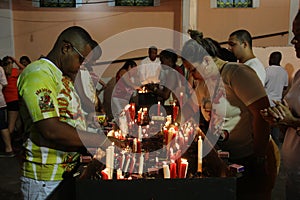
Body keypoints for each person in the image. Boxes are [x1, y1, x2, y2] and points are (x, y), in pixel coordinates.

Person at [17, 26, 123, 199]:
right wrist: (99, 140)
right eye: (81, 60)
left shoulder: (62, 76)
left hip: (65, 172)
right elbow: (51, 128)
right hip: (45, 179)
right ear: (66, 48)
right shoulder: (38, 73)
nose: (82, 67)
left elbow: (72, 120)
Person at [181, 37, 277, 200]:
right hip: (223, 158)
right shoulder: (203, 83)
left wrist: (259, 156)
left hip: (248, 158)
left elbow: (263, 115)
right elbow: (190, 110)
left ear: (206, 60)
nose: (193, 76)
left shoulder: (236, 73)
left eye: (193, 70)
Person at [260, 10, 300, 200]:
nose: (293, 41)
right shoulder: (297, 75)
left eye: (298, 35)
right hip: (294, 172)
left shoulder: (268, 71)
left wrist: (292, 120)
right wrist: (279, 118)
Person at [264, 51, 288, 145]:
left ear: (272, 59)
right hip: (277, 102)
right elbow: (285, 87)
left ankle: (266, 146)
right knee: (276, 126)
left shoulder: (267, 70)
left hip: (267, 101)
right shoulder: (284, 72)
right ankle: (275, 146)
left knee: (265, 126)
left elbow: (261, 84)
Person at [2, 56, 25, 147]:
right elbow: (26, 69)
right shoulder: (14, 72)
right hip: (14, 100)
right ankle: (9, 145)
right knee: (11, 126)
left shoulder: (2, 72)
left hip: (4, 100)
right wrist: (16, 60)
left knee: (6, 122)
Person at [0, 62, 14, 157]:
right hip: (1, 101)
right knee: (3, 125)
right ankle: (9, 148)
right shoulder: (0, 68)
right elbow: (5, 83)